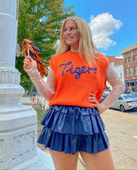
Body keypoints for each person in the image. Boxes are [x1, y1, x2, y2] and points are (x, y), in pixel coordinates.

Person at [23, 16, 125, 170]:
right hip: (60, 119)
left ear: (82, 31)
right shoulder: (57, 60)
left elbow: (119, 85)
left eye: (71, 28)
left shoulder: (99, 59)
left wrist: (103, 106)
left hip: (89, 119)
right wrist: (34, 74)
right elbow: (51, 95)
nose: (67, 33)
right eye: (65, 29)